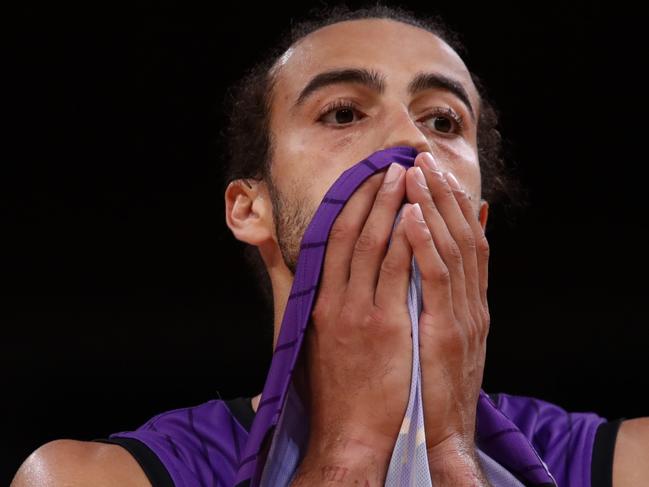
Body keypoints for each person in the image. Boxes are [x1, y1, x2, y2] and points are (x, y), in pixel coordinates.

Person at [11, 4, 648, 487]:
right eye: (343, 113)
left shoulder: (628, 462)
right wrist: (348, 452)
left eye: (443, 120)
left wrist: (452, 448)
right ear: (249, 208)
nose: (410, 140)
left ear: (478, 222)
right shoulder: (89, 476)